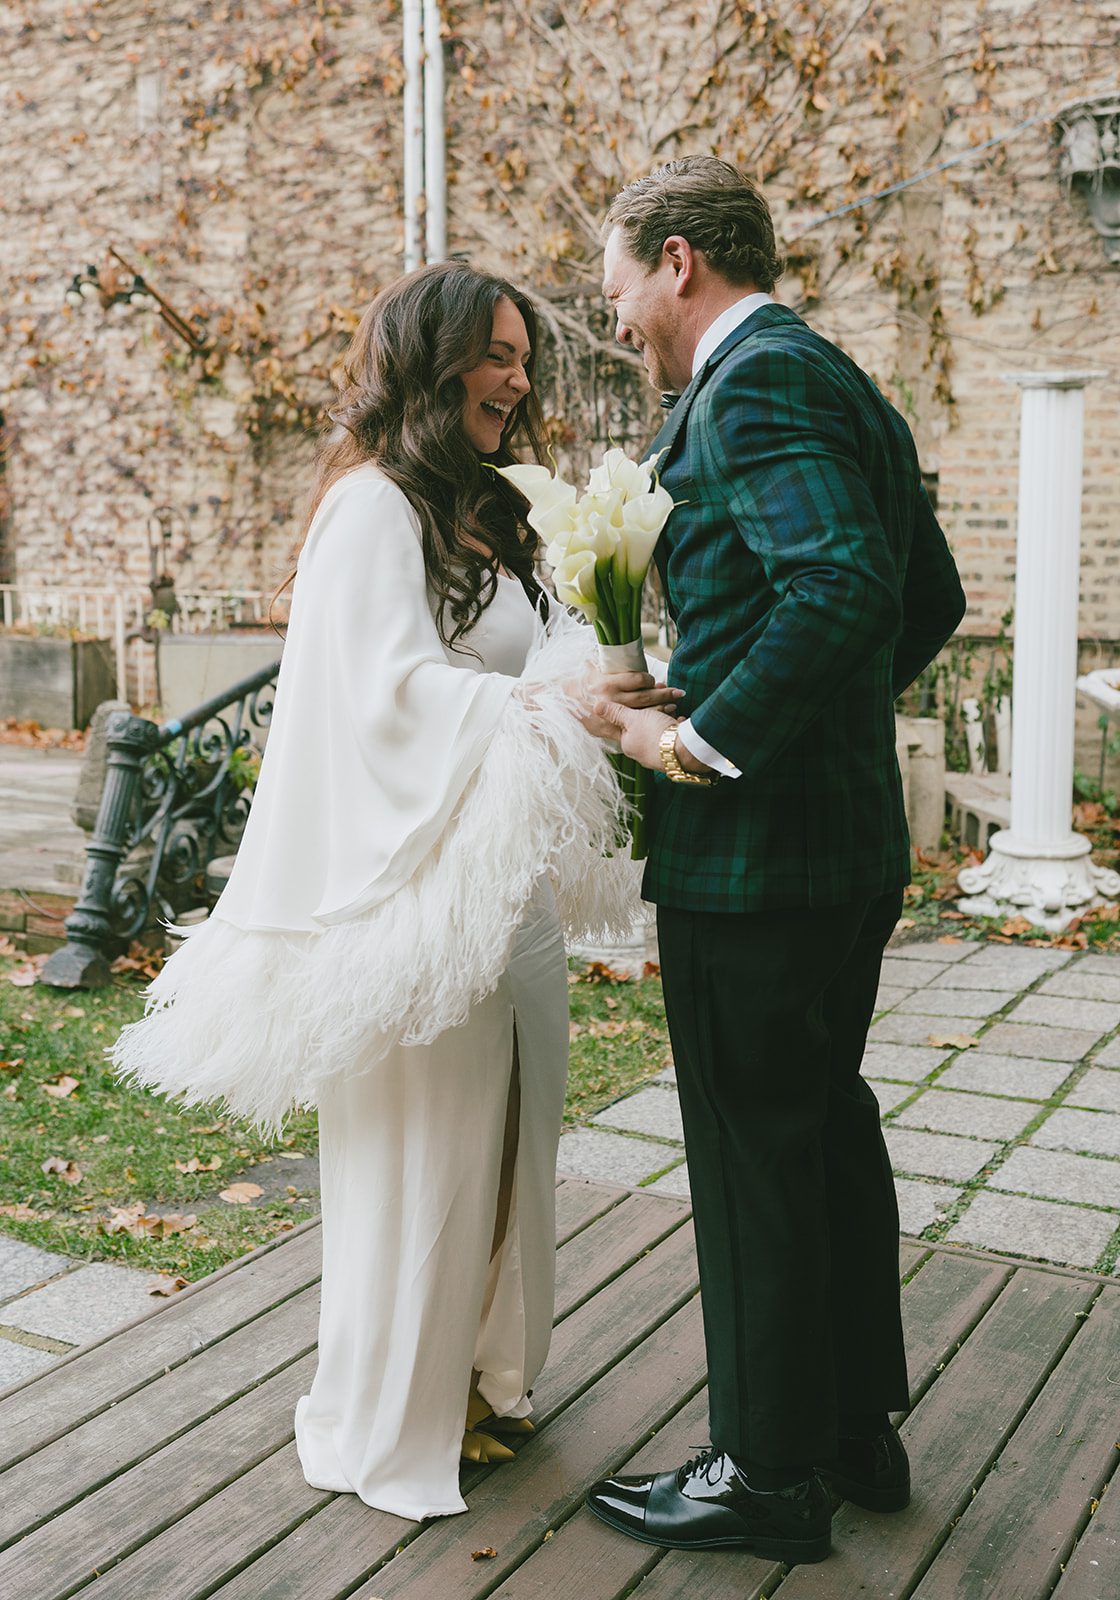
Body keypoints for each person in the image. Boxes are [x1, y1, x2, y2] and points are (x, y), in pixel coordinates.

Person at [112, 261, 674, 1520]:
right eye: (496, 353)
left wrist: (603, 669)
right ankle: (392, 1411)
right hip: (412, 902)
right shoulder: (369, 507)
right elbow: (387, 699)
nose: (520, 378)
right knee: (427, 1162)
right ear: (431, 360)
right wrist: (552, 701)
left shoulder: (477, 504)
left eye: (525, 355)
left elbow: (524, 650)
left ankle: (477, 1381)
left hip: (500, 894)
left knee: (510, 1145)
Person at [585, 157, 967, 1564]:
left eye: (618, 281)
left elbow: (848, 585)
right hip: (838, 845)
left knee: (754, 1153)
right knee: (819, 1128)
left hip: (756, 861)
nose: (615, 311)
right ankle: (852, 1426)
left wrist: (712, 743)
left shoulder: (750, 384)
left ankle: (762, 1471)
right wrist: (823, 726)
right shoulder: (833, 376)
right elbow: (926, 591)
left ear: (677, 261)